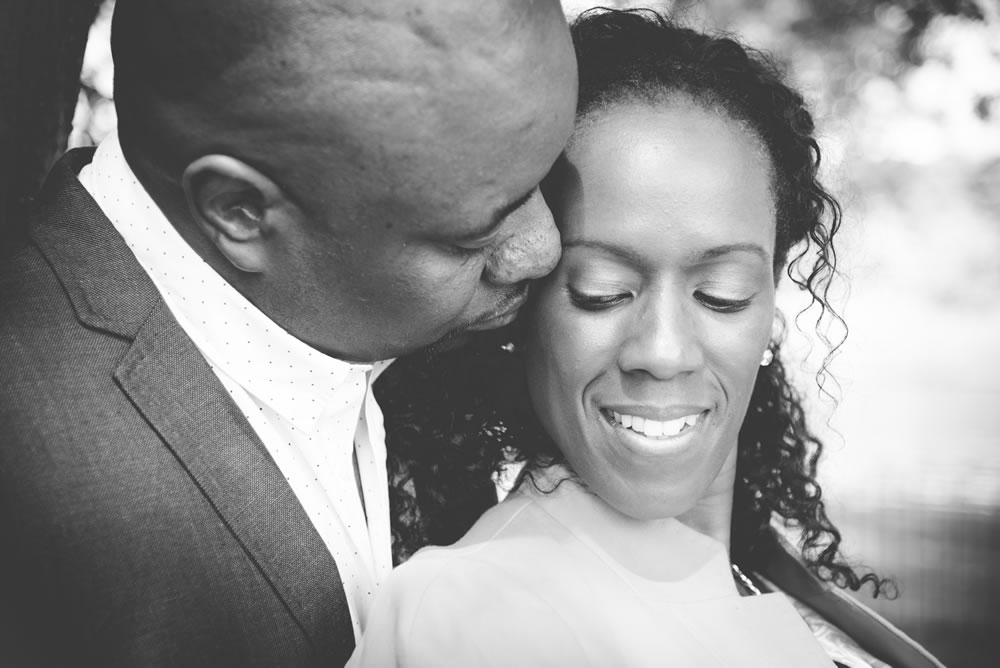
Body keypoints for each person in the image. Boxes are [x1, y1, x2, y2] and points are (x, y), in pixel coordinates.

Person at [353, 9, 945, 668]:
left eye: (721, 294)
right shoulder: (483, 617)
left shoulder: (757, 569)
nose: (663, 352)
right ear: (523, 304)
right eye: (602, 291)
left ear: (770, 301)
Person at [0, 0, 577, 665]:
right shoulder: (37, 489)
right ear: (240, 212)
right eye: (472, 235)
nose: (545, 248)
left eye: (547, 176)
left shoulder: (432, 326)